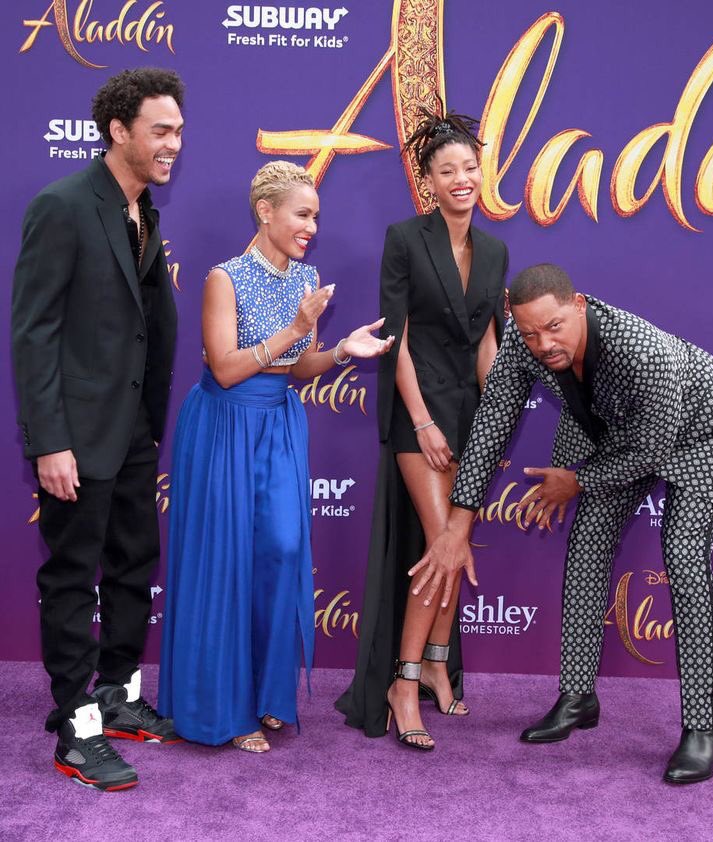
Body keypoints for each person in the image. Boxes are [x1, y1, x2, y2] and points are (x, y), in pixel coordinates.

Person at [412, 263, 713, 782]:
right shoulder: (523, 342)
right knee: (588, 542)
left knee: (683, 555)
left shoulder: (641, 350)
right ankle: (577, 698)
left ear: (579, 305)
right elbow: (492, 425)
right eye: (530, 332)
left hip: (706, 428)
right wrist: (458, 524)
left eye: (553, 327)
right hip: (622, 431)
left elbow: (650, 450)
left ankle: (703, 729)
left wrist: (577, 480)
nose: (543, 344)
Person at [158, 160, 394, 753]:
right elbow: (225, 368)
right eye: (302, 214)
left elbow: (300, 368)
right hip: (224, 426)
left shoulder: (305, 277)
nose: (312, 227)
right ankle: (228, 709)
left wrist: (341, 350)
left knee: (283, 550)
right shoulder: (225, 277)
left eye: (316, 216)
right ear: (266, 212)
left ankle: (266, 692)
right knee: (228, 561)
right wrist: (294, 329)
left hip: (279, 426)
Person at [11, 68, 185, 791]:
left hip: (132, 429)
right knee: (73, 575)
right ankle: (75, 728)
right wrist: (50, 441)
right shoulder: (62, 205)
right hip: (77, 436)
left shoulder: (141, 209)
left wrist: (148, 425)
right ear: (119, 130)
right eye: (161, 130)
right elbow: (34, 332)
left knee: (133, 563)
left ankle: (116, 693)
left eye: (178, 130)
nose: (174, 143)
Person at [335, 105, 508, 749]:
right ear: (429, 181)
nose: (462, 179)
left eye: (469, 167)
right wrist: (423, 421)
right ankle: (402, 684)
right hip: (419, 411)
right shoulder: (405, 238)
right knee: (442, 546)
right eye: (447, 170)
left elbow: (486, 340)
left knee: (455, 549)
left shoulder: (495, 251)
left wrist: (494, 420)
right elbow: (397, 338)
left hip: (470, 415)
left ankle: (436, 663)